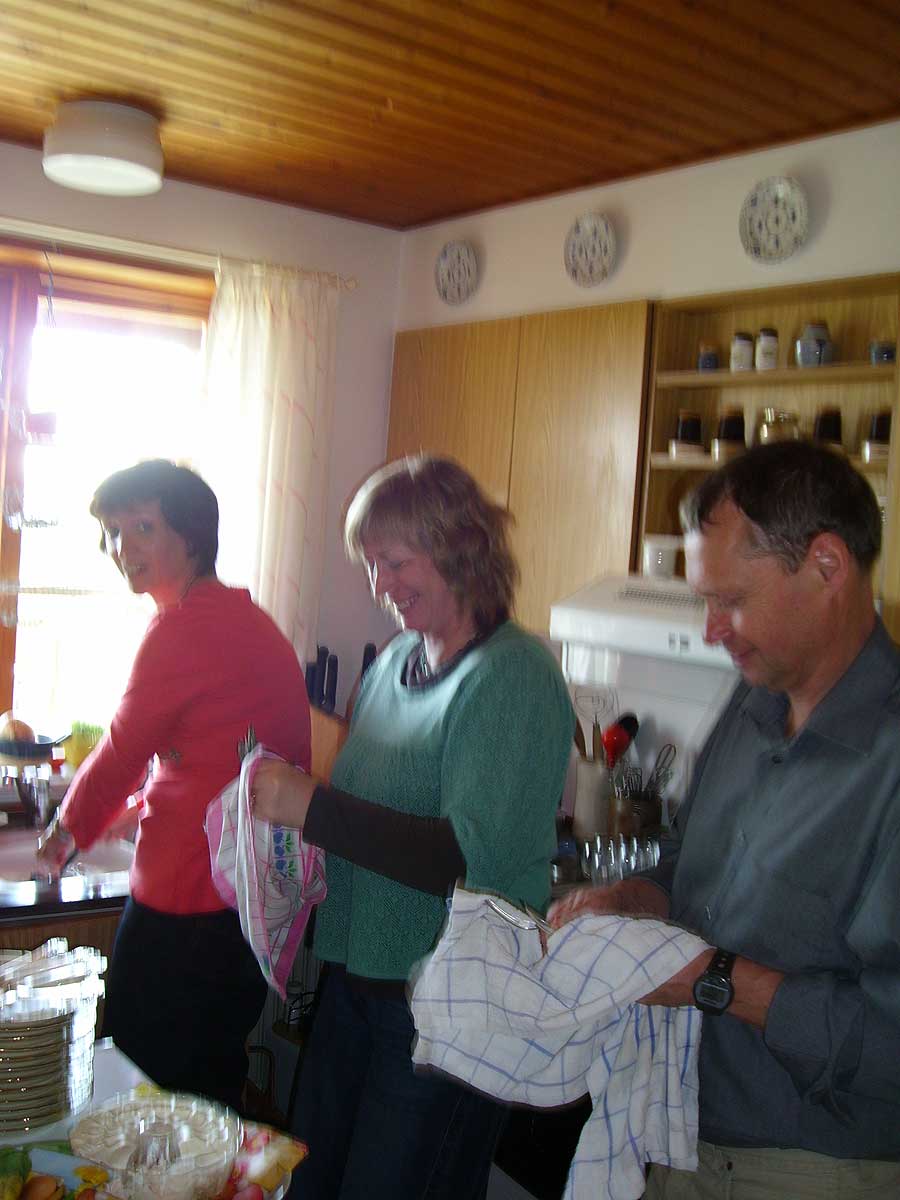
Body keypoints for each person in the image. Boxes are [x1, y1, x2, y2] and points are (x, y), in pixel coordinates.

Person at [550, 440, 900, 1199]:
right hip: (682, 1128)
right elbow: (690, 864)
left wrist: (714, 981)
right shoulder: (753, 702)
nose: (712, 630)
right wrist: (631, 899)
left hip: (810, 1168)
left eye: (730, 600)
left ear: (828, 567)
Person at [251, 455, 574, 1200]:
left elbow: (467, 858)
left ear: (460, 549)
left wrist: (313, 808)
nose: (380, 583)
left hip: (446, 1009)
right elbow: (366, 817)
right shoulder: (395, 661)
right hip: (357, 986)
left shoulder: (513, 675)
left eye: (396, 561)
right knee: (308, 1184)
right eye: (371, 564)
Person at [36, 459, 310, 1112]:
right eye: (113, 531)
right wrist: (140, 807)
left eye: (142, 527)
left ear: (189, 535)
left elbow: (122, 751)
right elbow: (209, 756)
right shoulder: (247, 621)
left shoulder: (181, 628)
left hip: (182, 911)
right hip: (241, 913)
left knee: (139, 1096)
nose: (121, 547)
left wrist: (61, 837)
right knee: (204, 1103)